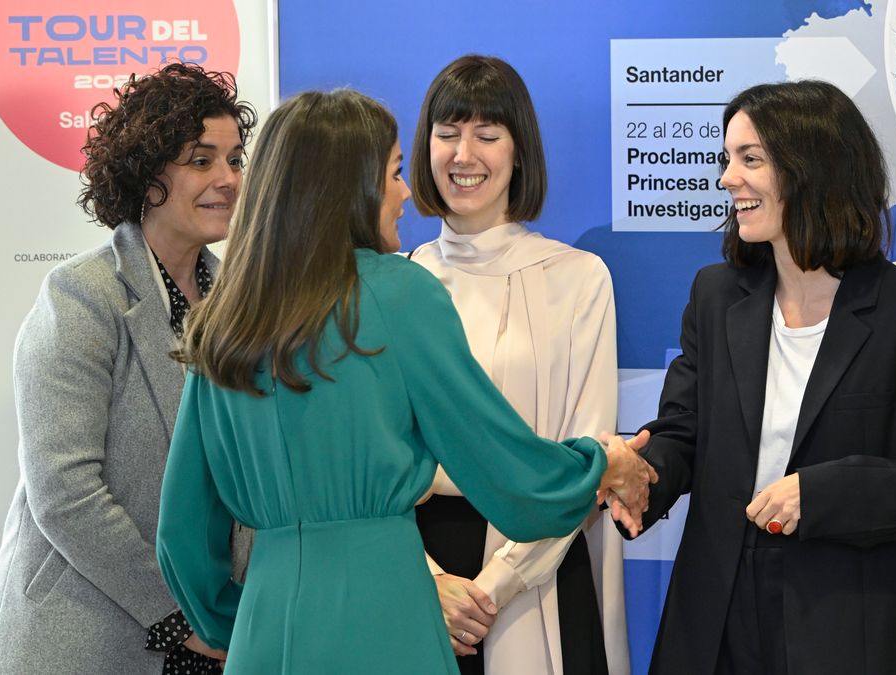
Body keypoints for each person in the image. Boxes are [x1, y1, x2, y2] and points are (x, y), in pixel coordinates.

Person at [154, 88, 653, 674]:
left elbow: (182, 534)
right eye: (392, 173)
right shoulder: (400, 292)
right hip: (384, 621)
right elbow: (517, 484)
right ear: (349, 187)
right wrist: (603, 461)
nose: (406, 192)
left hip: (266, 632)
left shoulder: (223, 317)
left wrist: (243, 622)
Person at [628, 80, 896, 675]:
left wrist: (823, 493)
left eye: (750, 159)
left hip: (844, 625)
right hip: (712, 617)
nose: (726, 179)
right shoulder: (715, 297)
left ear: (812, 169)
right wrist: (643, 472)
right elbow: (684, 432)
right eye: (727, 159)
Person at [0, 63, 256, 674]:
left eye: (235, 160)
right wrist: (179, 616)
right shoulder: (81, 294)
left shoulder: (238, 300)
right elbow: (64, 492)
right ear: (147, 171)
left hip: (215, 636)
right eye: (201, 159)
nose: (228, 179)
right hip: (88, 635)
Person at [409, 54, 628, 675]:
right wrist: (427, 580)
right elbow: (374, 461)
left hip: (541, 565)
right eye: (447, 134)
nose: (463, 155)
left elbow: (586, 457)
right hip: (418, 569)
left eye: (487, 135)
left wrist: (496, 585)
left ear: (519, 149)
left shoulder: (578, 278)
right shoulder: (398, 282)